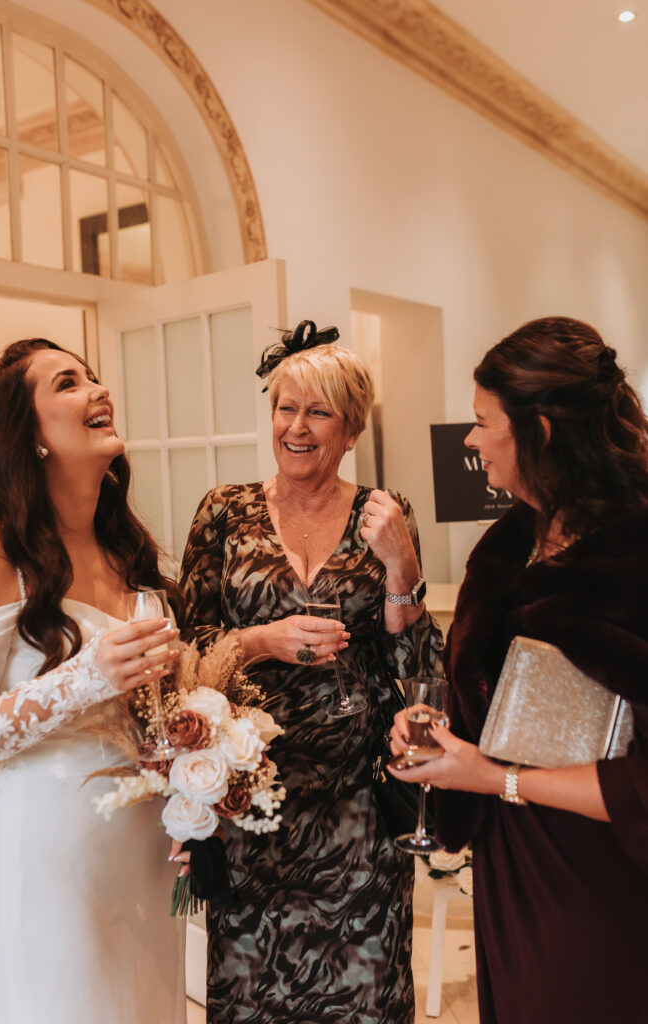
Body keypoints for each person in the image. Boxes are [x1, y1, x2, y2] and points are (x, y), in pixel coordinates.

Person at [176, 320, 443, 1023]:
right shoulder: (224, 513)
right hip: (248, 803)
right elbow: (186, 648)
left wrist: (402, 568)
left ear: (350, 428)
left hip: (354, 810)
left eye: (317, 411)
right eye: (284, 408)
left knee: (363, 997)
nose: (295, 426)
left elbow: (416, 669)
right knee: (252, 997)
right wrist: (261, 639)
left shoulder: (384, 515)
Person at [390, 316, 648, 1024]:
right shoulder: (510, 544)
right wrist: (442, 735)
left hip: (601, 874)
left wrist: (494, 778)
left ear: (537, 431)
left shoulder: (633, 556)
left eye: (480, 422)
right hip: (511, 859)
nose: (468, 441)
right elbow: (500, 700)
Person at [0, 339, 187, 1024]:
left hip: (148, 856)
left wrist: (197, 771)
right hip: (48, 858)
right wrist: (84, 679)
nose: (98, 391)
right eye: (69, 383)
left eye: (93, 377)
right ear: (29, 435)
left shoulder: (126, 549)